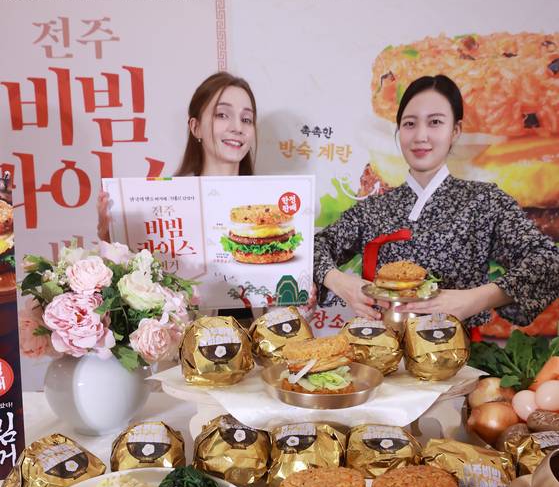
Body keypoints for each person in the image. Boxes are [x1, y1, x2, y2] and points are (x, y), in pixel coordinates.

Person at [313, 74, 559, 326]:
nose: (421, 136)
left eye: (435, 122)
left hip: (459, 355)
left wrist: (474, 299)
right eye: (410, 124)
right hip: (382, 353)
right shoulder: (372, 209)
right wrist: (341, 282)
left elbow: (548, 261)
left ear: (455, 131)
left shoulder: (485, 201)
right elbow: (314, 248)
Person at [97, 71, 257, 241]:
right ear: (196, 127)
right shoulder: (165, 202)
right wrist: (108, 236)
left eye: (247, 119)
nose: (238, 127)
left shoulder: (267, 200)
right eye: (222, 115)